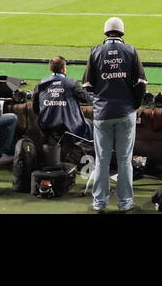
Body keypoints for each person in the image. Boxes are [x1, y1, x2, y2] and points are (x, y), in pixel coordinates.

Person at [82, 16, 147, 212]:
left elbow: (86, 85)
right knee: (125, 159)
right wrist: (133, 105)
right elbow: (142, 83)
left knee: (101, 160)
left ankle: (99, 203)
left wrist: (99, 101)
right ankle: (125, 202)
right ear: (122, 33)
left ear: (105, 32)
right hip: (126, 112)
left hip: (102, 114)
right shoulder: (130, 50)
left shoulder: (95, 51)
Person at [34, 56, 92, 147]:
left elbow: (36, 109)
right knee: (90, 124)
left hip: (46, 127)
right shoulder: (72, 83)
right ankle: (88, 156)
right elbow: (87, 99)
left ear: (50, 69)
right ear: (64, 69)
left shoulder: (40, 84)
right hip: (71, 128)